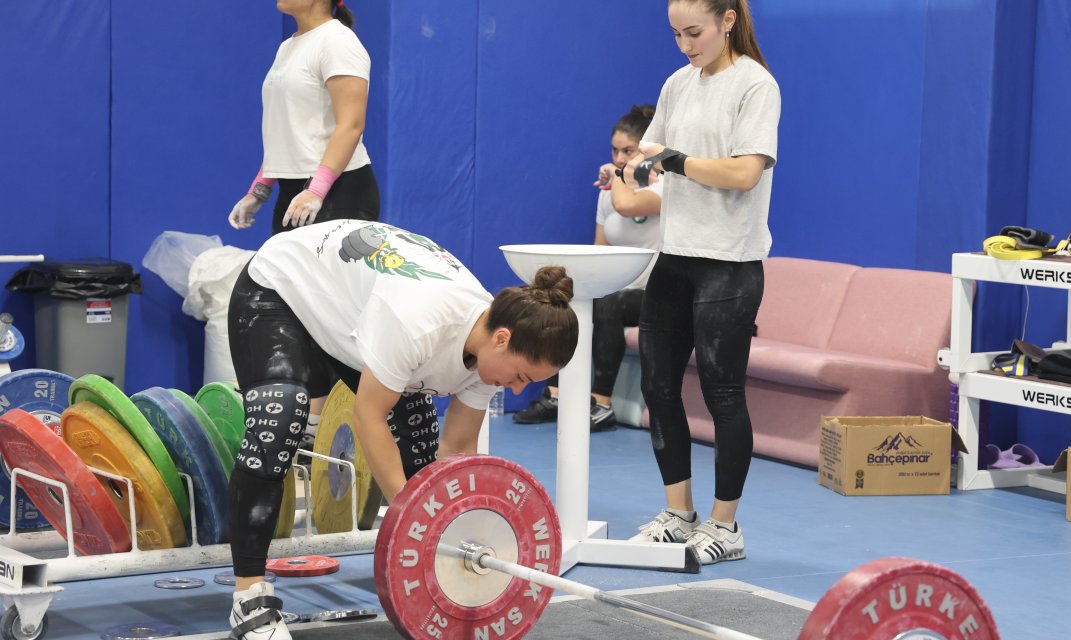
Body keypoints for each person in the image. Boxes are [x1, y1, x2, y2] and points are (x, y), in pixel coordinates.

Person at [223, 219, 578, 639]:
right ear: (501, 339)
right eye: (520, 375)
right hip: (281, 288)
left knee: (420, 430)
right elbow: (368, 417)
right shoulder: (421, 323)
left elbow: (457, 448)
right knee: (279, 418)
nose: (518, 388)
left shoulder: (488, 355)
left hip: (348, 315)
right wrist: (415, 522)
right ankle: (248, 597)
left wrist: (450, 535)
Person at [622, 0, 780, 566]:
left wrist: (674, 160)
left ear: (728, 21)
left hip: (730, 264)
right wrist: (629, 169)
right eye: (676, 35)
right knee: (657, 386)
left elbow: (742, 172)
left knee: (723, 394)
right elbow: (652, 155)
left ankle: (725, 526)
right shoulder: (677, 84)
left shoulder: (756, 86)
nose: (685, 44)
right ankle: (679, 514)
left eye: (695, 32)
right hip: (676, 257)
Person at [226, 0, 381, 447]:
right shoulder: (289, 47)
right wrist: (259, 190)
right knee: (291, 309)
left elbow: (350, 126)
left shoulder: (340, 42)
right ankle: (306, 434)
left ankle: (324, 435)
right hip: (302, 192)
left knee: (325, 314)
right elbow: (286, 132)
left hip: (339, 191)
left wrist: (318, 189)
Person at [514, 104, 663, 432]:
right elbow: (600, 251)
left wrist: (622, 176)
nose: (619, 158)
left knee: (610, 302)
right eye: (615, 150)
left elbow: (627, 206)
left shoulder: (666, 189)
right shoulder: (607, 194)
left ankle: (601, 403)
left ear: (648, 152)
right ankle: (555, 393)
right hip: (618, 290)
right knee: (565, 297)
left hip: (656, 293)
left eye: (629, 151)